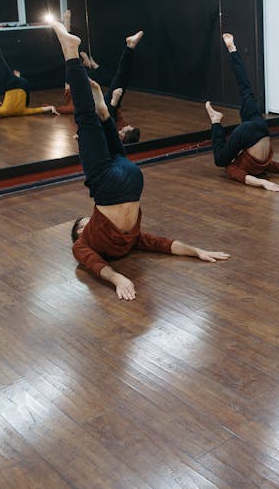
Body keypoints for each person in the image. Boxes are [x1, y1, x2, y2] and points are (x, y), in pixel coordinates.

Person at [47, 18, 230, 300]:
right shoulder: (118, 241)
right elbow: (160, 244)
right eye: (82, 223)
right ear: (81, 230)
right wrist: (196, 251)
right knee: (88, 124)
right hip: (116, 185)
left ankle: (98, 99)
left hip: (130, 181)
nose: (85, 222)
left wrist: (117, 277)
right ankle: (95, 95)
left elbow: (97, 264)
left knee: (92, 127)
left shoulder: (83, 246)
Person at [205, 33, 279, 191]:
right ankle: (232, 50)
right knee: (246, 91)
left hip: (261, 129)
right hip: (252, 129)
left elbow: (247, 176)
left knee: (246, 91)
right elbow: (272, 169)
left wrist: (264, 183)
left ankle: (233, 49)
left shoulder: (238, 166)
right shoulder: (252, 166)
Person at [0, 27, 58, 126]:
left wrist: (51, 108)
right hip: (12, 83)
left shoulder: (23, 111)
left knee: (0, 62)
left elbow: (35, 109)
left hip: (23, 84)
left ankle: (18, 77)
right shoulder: (4, 111)